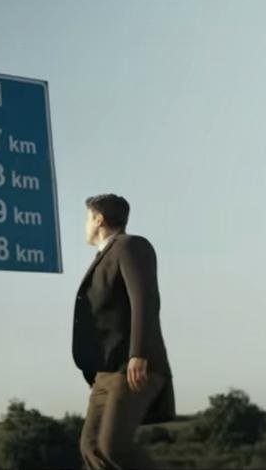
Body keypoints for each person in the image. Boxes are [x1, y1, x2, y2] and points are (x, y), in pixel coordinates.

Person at [73, 194, 175, 469]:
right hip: (104, 372)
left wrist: (138, 353)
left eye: (87, 218)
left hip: (129, 366)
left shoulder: (130, 246)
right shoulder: (104, 256)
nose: (85, 225)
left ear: (99, 219)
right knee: (91, 448)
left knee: (113, 447)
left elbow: (144, 299)